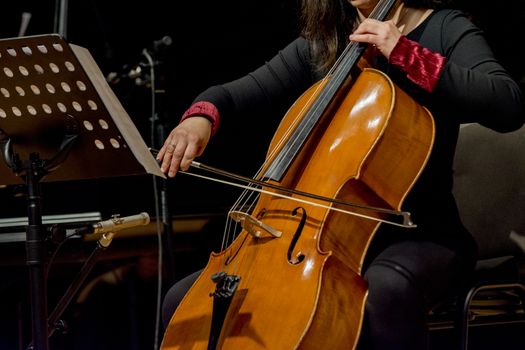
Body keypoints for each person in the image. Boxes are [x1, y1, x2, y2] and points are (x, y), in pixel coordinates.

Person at [157, 0, 524, 349]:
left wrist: (405, 53)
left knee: (384, 290)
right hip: (322, 238)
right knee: (183, 300)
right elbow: (232, 94)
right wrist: (199, 118)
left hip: (420, 234)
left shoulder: (444, 27)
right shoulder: (327, 40)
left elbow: (508, 104)